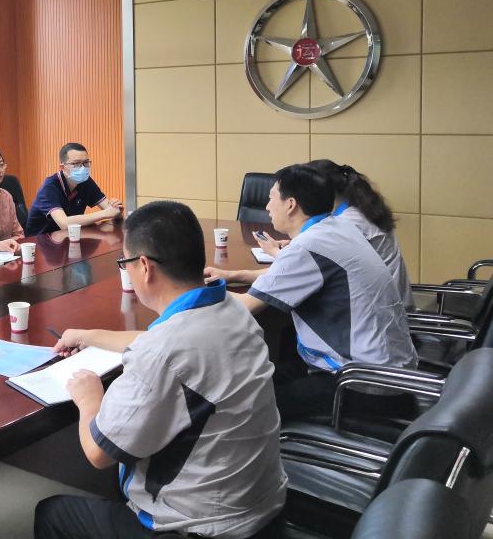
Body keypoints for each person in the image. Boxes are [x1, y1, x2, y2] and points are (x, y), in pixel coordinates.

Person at [37, 201, 286, 538]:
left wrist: (89, 399)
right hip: (259, 510)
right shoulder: (231, 309)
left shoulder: (163, 352)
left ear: (144, 266)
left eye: (125, 263)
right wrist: (89, 335)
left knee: (52, 513)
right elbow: (161, 341)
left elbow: (98, 453)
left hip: (203, 527)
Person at [204, 164, 417, 420]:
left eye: (271, 199)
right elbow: (284, 273)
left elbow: (244, 307)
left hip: (361, 386)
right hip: (389, 374)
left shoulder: (309, 246)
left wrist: (188, 289)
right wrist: (232, 276)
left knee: (243, 403)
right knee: (250, 382)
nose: (267, 207)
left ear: (290, 204)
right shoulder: (337, 229)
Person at [307, 159, 414, 310]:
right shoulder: (361, 209)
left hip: (382, 311)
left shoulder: (347, 222)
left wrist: (278, 252)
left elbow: (315, 267)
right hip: (392, 302)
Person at [24, 142, 124, 235]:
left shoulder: (86, 181)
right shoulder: (49, 187)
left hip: (69, 236)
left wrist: (117, 210)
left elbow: (110, 210)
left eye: (86, 163)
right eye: (76, 164)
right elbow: (64, 223)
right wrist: (106, 213)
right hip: (41, 240)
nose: (83, 168)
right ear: (62, 167)